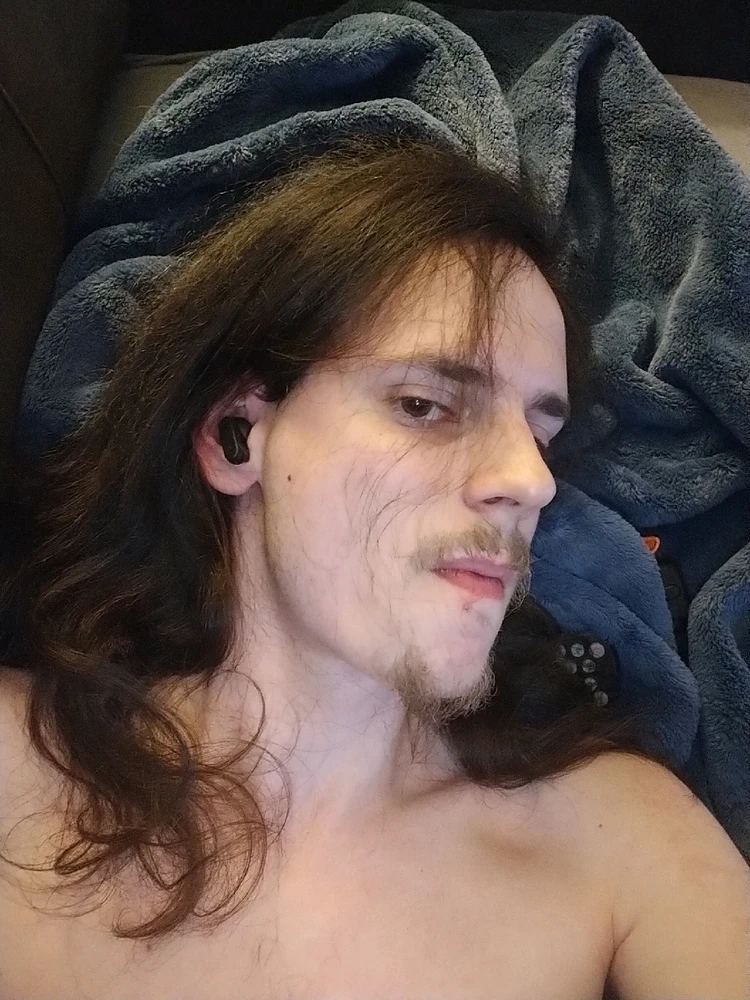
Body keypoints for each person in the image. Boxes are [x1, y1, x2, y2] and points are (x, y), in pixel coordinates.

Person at [0, 135, 747, 1000]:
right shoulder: (16, 765)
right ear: (236, 435)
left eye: (541, 438)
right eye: (426, 405)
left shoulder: (620, 839)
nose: (532, 482)